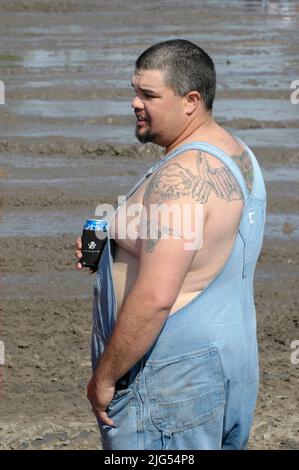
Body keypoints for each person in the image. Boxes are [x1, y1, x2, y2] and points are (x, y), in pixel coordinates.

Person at [75, 39, 266, 450]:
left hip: (171, 386)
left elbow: (156, 297)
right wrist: (116, 239)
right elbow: (201, 246)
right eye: (134, 90)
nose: (134, 103)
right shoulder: (236, 154)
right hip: (228, 367)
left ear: (190, 101)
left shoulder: (182, 178)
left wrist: (104, 378)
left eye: (149, 95)